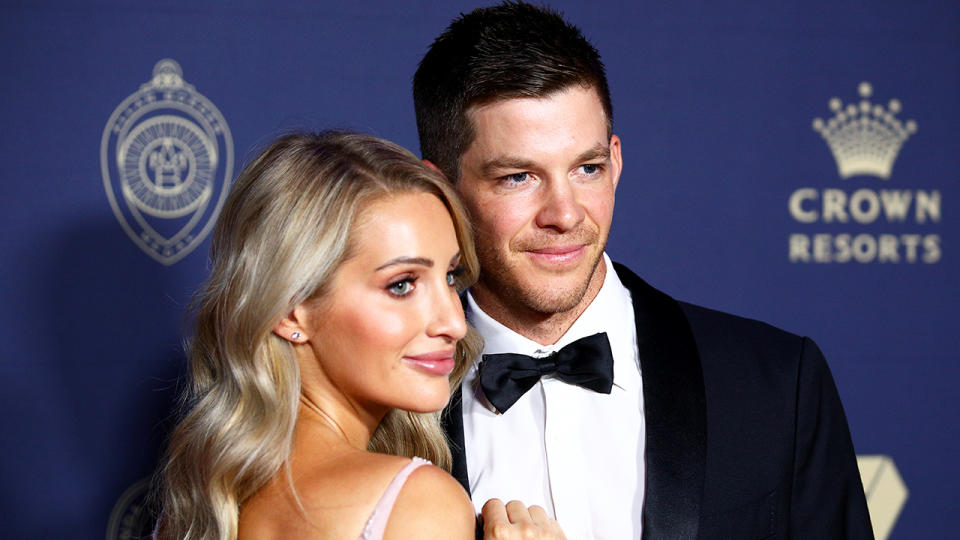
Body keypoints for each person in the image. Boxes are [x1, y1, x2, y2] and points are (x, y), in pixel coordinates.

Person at [413, 2, 874, 539]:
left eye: (587, 169)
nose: (564, 214)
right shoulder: (376, 406)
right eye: (519, 177)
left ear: (617, 159)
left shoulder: (774, 383)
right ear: (441, 189)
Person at [155, 131, 566, 540]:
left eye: (451, 277)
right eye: (402, 285)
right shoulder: (417, 503)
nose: (455, 324)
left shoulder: (196, 511)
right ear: (290, 309)